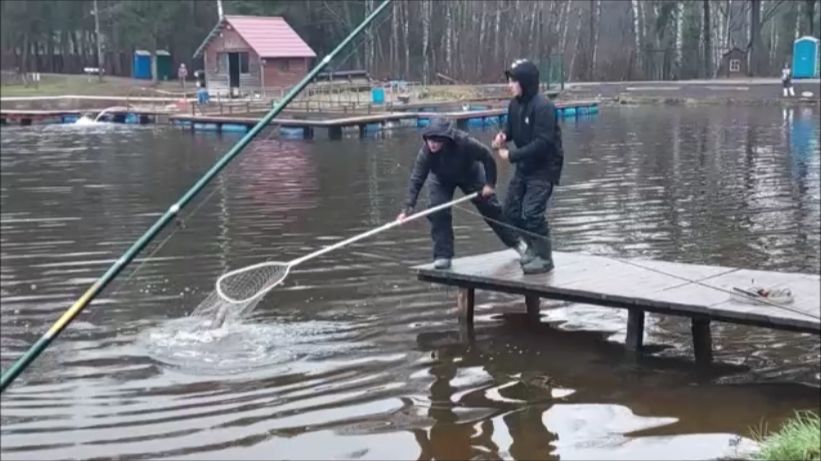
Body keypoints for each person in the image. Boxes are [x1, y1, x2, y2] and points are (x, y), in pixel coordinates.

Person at [398, 117, 529, 269]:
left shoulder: (465, 143)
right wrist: (408, 208)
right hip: (441, 180)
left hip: (470, 175)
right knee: (438, 211)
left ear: (446, 139)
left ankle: (517, 243)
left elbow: (487, 158)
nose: (432, 144)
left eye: (437, 140)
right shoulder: (425, 153)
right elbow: (416, 179)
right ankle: (442, 255)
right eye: (429, 140)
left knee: (490, 208)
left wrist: (490, 184)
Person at [492, 59, 563, 274]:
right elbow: (511, 129)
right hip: (525, 167)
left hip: (544, 168)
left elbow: (543, 143)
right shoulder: (514, 104)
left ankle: (544, 257)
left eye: (513, 81)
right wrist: (503, 136)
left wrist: (511, 155)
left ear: (525, 82)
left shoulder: (544, 107)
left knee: (532, 212)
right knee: (511, 212)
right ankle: (532, 248)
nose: (509, 85)